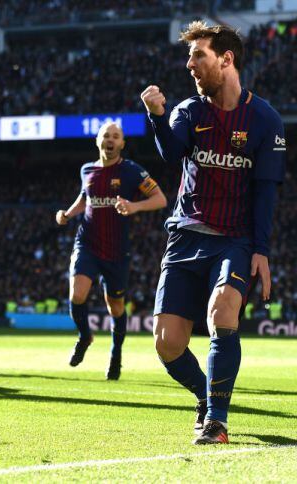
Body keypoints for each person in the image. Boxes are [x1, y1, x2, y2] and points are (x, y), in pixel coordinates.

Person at [141, 22, 285, 444]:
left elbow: (265, 192)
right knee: (167, 344)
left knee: (222, 313)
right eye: (189, 58)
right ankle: (206, 397)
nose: (190, 65)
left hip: (235, 238)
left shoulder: (265, 119)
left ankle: (216, 422)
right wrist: (157, 117)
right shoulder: (188, 111)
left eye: (198, 56)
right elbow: (171, 152)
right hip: (186, 235)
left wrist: (261, 250)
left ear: (227, 58)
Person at [56, 122, 167, 381]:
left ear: (122, 144)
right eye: (106, 135)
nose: (111, 139)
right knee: (77, 294)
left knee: (115, 306)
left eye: (116, 136)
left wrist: (134, 206)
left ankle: (116, 355)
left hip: (117, 250)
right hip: (87, 243)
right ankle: (85, 335)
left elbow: (161, 199)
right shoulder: (87, 170)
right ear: (98, 140)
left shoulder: (131, 171)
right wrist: (67, 214)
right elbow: (85, 198)